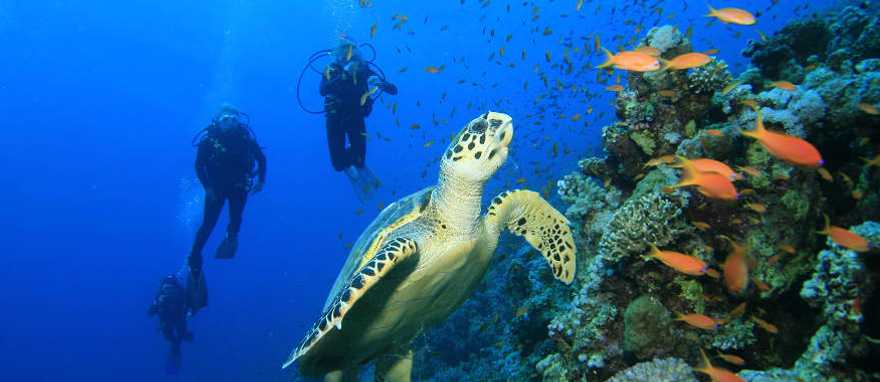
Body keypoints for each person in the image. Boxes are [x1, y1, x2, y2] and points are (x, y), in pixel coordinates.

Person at [188, 105, 266, 280]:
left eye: (233, 119)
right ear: (218, 121)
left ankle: (231, 238)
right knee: (208, 224)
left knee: (236, 219)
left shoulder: (245, 138)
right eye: (225, 120)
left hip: (239, 186)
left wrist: (261, 181)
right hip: (216, 189)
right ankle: (194, 256)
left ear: (238, 121)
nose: (229, 123)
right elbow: (199, 166)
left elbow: (261, 159)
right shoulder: (209, 141)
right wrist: (207, 188)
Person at [320, 38, 397, 202]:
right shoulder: (332, 69)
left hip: (356, 116)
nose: (349, 53)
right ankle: (348, 164)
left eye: (352, 49)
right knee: (337, 164)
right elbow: (323, 89)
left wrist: (382, 84)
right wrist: (345, 74)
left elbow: (393, 90)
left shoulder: (363, 69)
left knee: (360, 160)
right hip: (335, 117)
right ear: (338, 53)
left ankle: (356, 162)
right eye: (344, 49)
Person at [148, 274, 193, 375]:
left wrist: (154, 308)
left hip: (168, 320)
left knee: (171, 337)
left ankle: (176, 345)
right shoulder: (180, 291)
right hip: (177, 319)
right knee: (179, 335)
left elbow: (150, 312)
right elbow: (189, 304)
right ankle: (179, 343)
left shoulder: (162, 293)